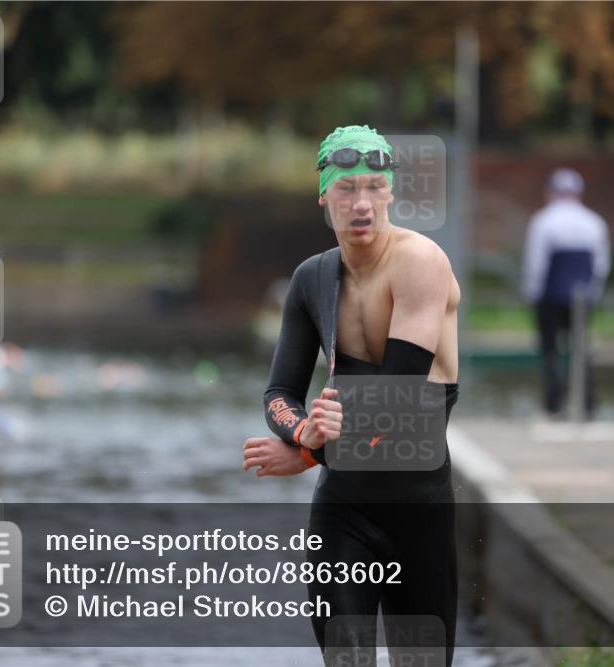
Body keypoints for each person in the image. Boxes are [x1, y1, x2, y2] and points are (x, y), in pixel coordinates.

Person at [241, 125, 461, 666]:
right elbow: (279, 392)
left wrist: (313, 454)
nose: (360, 203)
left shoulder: (421, 262)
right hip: (343, 513)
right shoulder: (312, 279)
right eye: (346, 188)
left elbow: (404, 397)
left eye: (372, 187)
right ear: (324, 194)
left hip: (419, 511)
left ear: (390, 192)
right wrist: (301, 432)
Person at [521, 167, 610, 418]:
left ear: (551, 192)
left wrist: (532, 293)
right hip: (582, 298)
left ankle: (553, 404)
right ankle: (588, 403)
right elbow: (602, 265)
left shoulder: (543, 221)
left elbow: (535, 263)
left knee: (550, 351)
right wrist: (594, 294)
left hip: (550, 296)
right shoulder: (594, 222)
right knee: (582, 350)